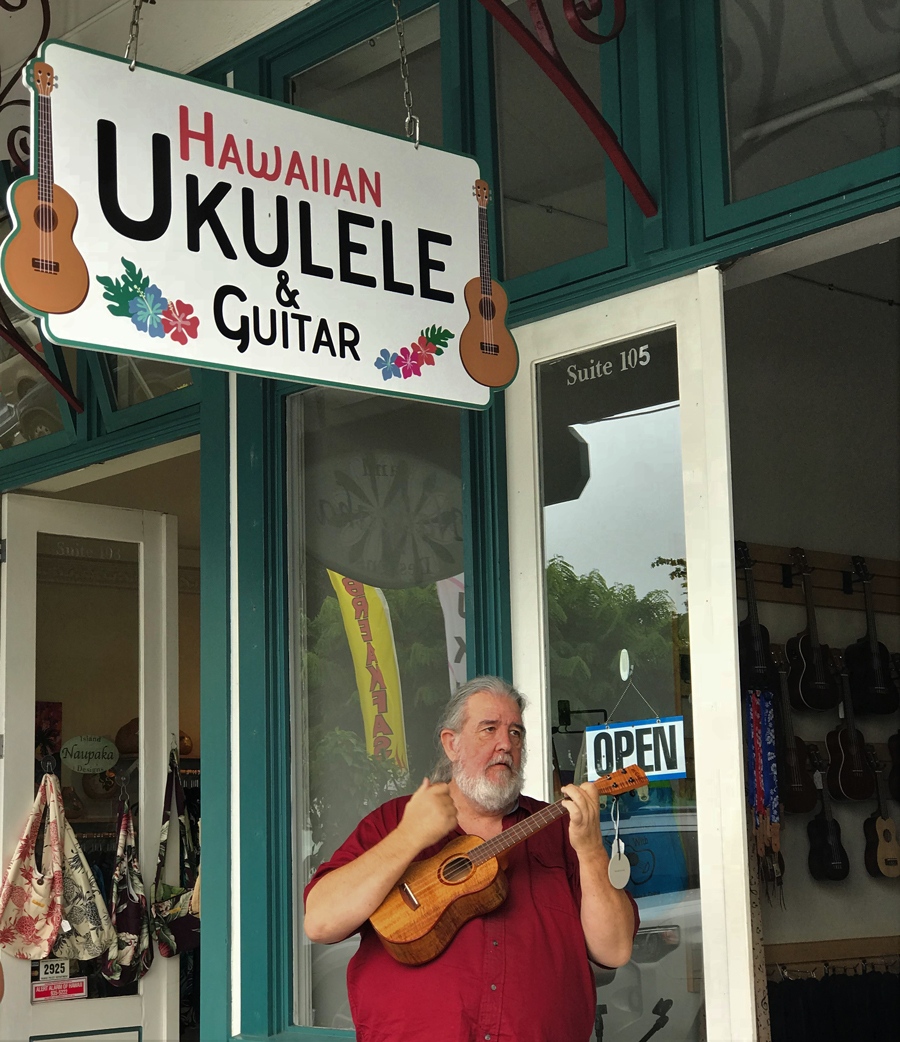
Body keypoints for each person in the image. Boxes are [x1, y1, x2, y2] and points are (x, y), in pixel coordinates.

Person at [303, 675, 639, 1042]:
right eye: (488, 729)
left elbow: (616, 949)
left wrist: (590, 849)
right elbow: (320, 922)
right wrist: (408, 838)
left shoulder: (561, 830)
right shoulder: (394, 821)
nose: (505, 745)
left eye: (516, 733)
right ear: (451, 744)